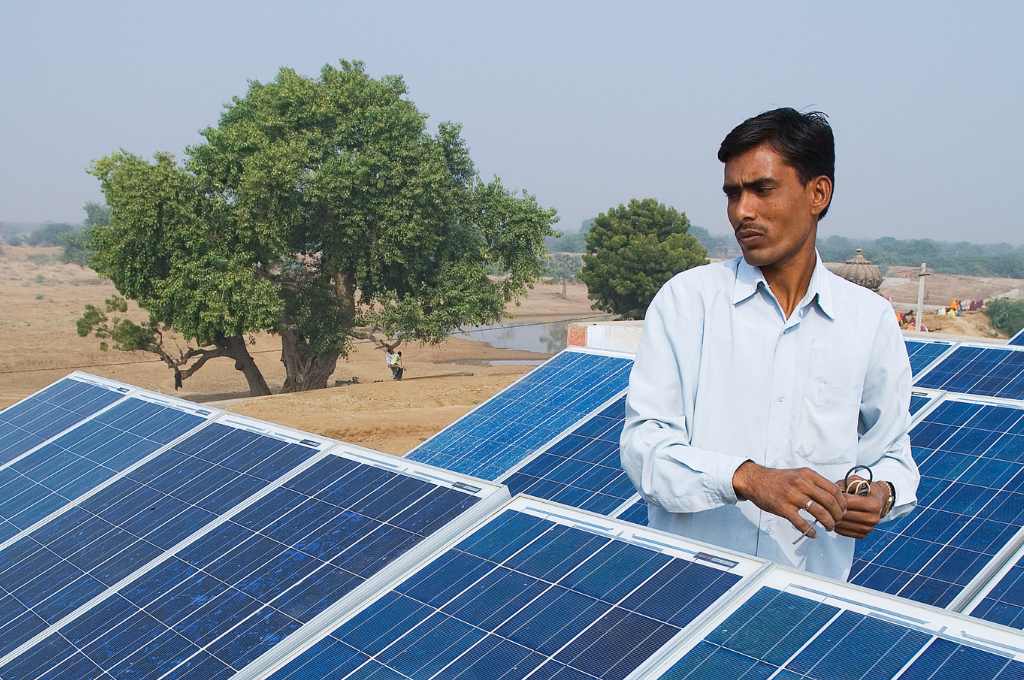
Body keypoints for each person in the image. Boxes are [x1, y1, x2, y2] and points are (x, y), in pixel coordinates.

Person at [620, 108, 919, 581]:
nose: (743, 211)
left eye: (762, 189)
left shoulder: (868, 320)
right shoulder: (687, 303)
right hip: (688, 587)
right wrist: (746, 478)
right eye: (732, 194)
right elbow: (644, 449)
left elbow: (891, 454)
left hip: (805, 600)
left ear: (818, 193)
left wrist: (880, 492)